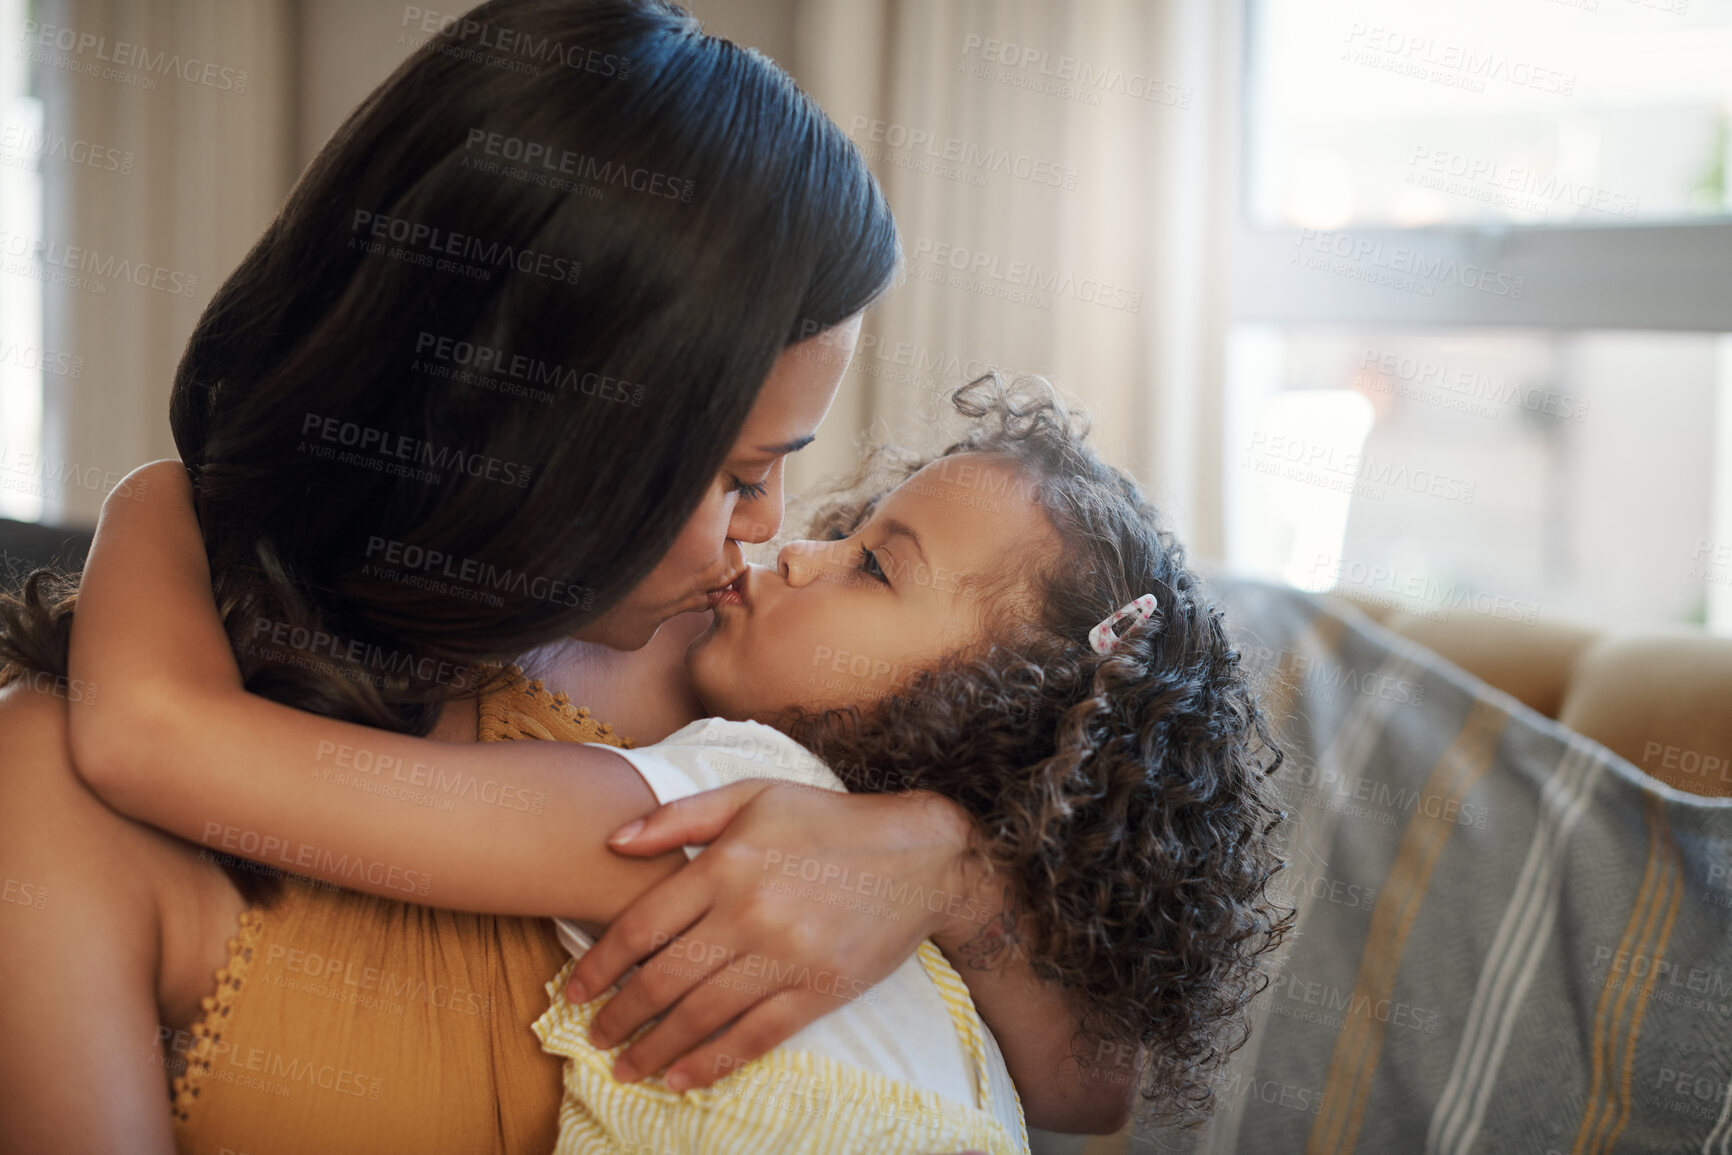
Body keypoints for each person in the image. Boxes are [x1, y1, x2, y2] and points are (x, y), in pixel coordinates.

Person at [0, 1, 1130, 1151]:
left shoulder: (737, 671)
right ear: (532, 442)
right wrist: (161, 492)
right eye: (735, 477)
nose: (768, 535)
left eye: (778, 469)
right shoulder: (68, 784)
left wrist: (948, 873)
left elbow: (1096, 1082)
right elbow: (147, 734)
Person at [66, 379, 1289, 1155]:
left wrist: (167, 492)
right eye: (842, 531)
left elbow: (158, 741)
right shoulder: (764, 801)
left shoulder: (737, 801)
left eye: (870, 566)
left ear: (990, 711)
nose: (790, 547)